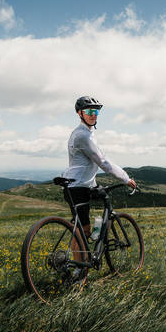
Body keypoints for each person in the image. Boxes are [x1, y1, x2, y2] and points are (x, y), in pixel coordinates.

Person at [62, 96, 136, 268]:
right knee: (83, 230)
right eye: (89, 111)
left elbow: (89, 165)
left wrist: (96, 185)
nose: (93, 115)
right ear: (80, 113)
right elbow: (103, 162)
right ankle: (77, 271)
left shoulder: (86, 133)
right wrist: (126, 178)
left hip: (85, 185)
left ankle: (96, 241)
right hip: (77, 187)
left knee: (86, 223)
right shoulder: (82, 136)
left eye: (95, 111)